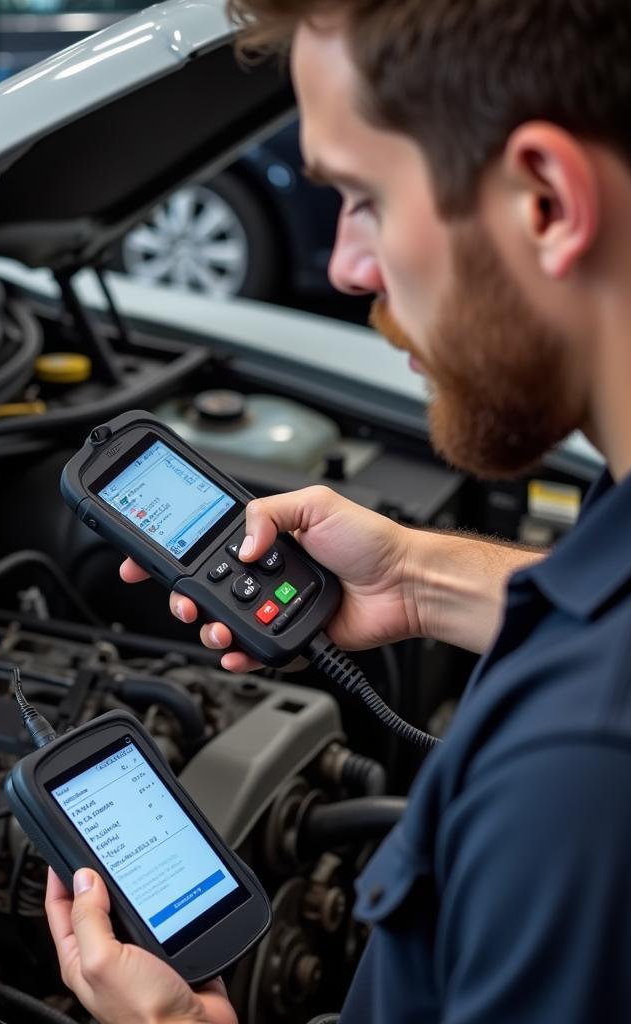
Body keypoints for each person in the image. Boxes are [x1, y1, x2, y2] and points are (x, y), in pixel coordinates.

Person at [44, 0, 631, 1020]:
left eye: (361, 197)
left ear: (543, 199)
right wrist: (415, 580)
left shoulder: (572, 785)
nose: (349, 266)